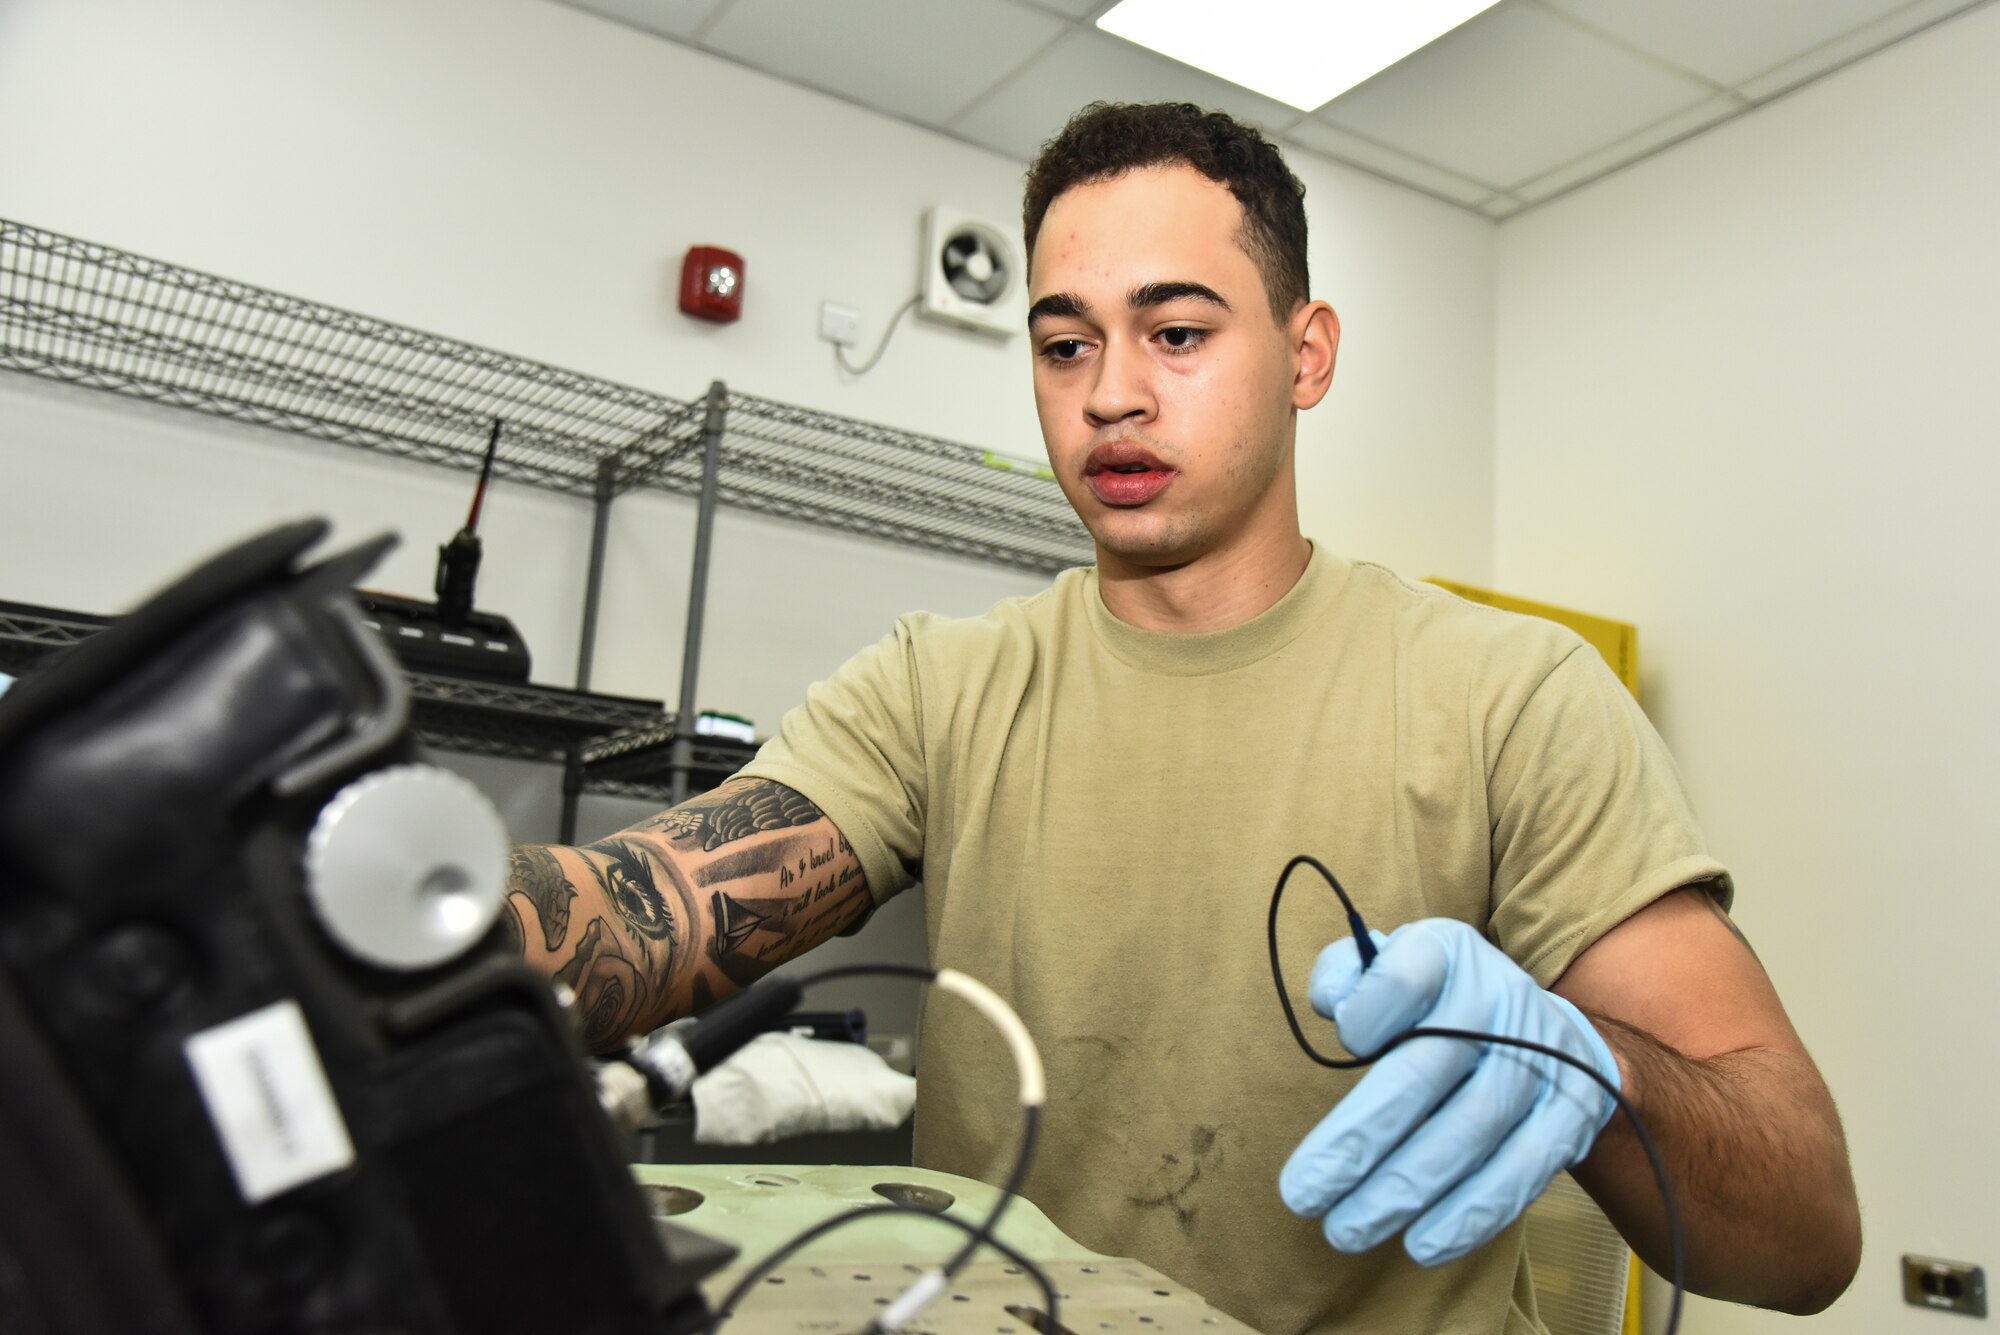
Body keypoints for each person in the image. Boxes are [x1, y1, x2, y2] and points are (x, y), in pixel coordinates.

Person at [501, 102, 1860, 1335]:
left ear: (1306, 353)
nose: (1110, 394)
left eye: (1179, 332)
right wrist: (354, 899)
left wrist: (1594, 1070)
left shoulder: (1511, 697)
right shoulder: (943, 687)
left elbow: (1803, 1238)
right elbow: (632, 914)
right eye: (1065, 342)